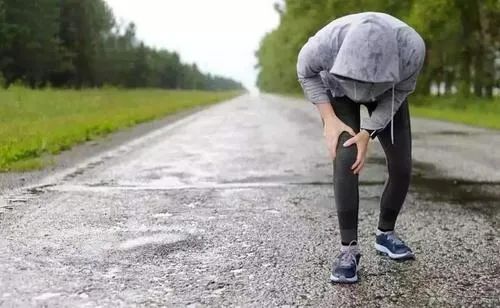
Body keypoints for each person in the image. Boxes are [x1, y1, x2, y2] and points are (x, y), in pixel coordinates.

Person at [296, 12, 426, 284]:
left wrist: (369, 131)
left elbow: (400, 93)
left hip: (387, 94)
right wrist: (330, 119)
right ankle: (348, 250)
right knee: (347, 158)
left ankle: (385, 235)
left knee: (402, 165)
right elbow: (304, 72)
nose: (362, 89)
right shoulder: (325, 44)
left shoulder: (412, 49)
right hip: (338, 92)